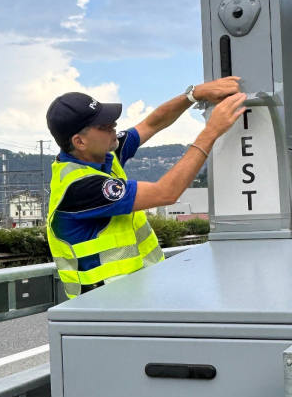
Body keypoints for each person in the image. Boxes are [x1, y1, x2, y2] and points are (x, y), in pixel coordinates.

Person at [45, 77, 247, 298]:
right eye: (104, 126)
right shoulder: (80, 187)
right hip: (105, 310)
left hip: (135, 297)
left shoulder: (101, 155)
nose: (114, 128)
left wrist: (194, 95)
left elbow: (152, 124)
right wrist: (211, 131)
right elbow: (166, 193)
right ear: (79, 142)